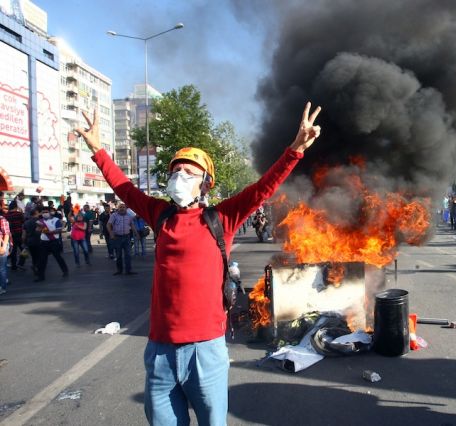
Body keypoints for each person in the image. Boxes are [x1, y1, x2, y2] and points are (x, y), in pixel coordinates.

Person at [76, 102, 321, 425]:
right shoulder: (159, 214)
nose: (180, 176)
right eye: (176, 171)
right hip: (160, 351)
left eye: (189, 173)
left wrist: (295, 150)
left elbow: (262, 190)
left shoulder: (222, 218)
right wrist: (98, 150)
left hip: (204, 352)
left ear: (206, 184)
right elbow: (125, 188)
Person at [35, 206, 69, 282]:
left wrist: (50, 232)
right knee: (42, 259)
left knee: (58, 257)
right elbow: (37, 230)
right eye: (43, 212)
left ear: (50, 212)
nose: (44, 214)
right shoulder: (40, 221)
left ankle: (65, 271)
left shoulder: (56, 220)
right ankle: (41, 276)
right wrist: (39, 229)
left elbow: (59, 230)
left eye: (46, 212)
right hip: (44, 242)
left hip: (54, 242)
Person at [107, 203, 138, 275]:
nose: (122, 208)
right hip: (117, 237)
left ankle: (128, 270)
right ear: (118, 208)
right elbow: (108, 225)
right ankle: (119, 270)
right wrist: (111, 233)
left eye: (123, 207)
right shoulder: (114, 215)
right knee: (118, 255)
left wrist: (137, 234)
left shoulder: (129, 216)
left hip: (127, 237)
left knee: (128, 254)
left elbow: (132, 225)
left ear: (126, 208)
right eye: (120, 207)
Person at [5, 201, 26, 271]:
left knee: (13, 250)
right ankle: (20, 263)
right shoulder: (19, 214)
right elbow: (23, 223)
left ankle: (14, 266)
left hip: (11, 235)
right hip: (19, 234)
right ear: (16, 206)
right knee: (24, 249)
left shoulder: (6, 215)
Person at [22, 207, 42, 275]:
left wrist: (24, 242)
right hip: (39, 240)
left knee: (33, 256)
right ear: (36, 213)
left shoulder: (26, 222)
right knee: (39, 255)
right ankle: (37, 268)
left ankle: (34, 266)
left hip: (30, 241)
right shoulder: (39, 221)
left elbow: (24, 235)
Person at [0, 212, 10, 294]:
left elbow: (6, 234)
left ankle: (3, 287)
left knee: (2, 268)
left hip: (1, 247)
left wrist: (4, 247)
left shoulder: (2, 219)